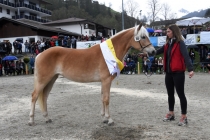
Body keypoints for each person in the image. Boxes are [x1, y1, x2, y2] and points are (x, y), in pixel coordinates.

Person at [156, 24, 194, 126]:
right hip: (168, 73)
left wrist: (190, 69)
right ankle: (171, 113)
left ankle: (184, 116)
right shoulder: (167, 44)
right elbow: (156, 52)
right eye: (166, 31)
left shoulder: (180, 43)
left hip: (178, 73)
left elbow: (186, 56)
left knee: (181, 94)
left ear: (174, 32)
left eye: (168, 31)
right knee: (170, 94)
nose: (166, 33)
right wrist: (146, 53)